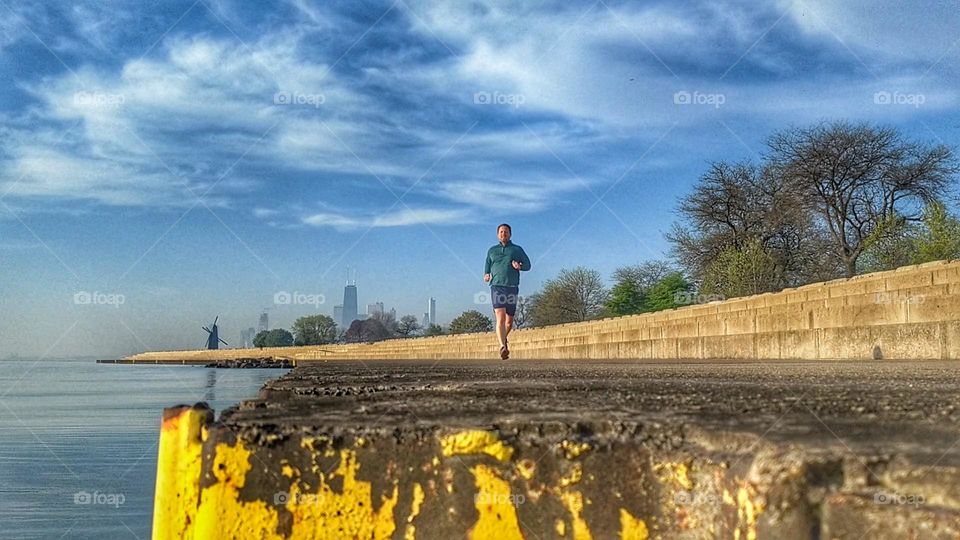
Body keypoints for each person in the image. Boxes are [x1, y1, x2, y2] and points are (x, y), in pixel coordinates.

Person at [483, 223, 531, 360]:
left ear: (510, 234)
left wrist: (519, 266)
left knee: (509, 322)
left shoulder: (517, 249)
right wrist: (486, 274)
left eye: (506, 232)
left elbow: (528, 265)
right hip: (496, 286)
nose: (503, 234)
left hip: (512, 286)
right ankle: (502, 346)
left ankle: (504, 339)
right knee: (500, 315)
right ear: (497, 234)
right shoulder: (492, 250)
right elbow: (487, 265)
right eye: (501, 232)